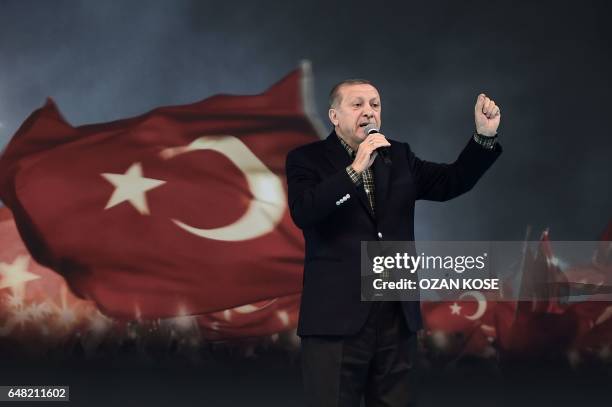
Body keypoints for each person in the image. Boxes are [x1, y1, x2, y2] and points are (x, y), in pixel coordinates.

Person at [285, 79, 502, 407]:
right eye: (357, 105)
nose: (368, 112)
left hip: (395, 320)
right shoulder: (307, 159)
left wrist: (484, 137)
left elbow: (452, 182)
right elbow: (305, 211)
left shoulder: (398, 156)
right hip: (335, 322)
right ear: (334, 115)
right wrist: (356, 168)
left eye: (375, 105)